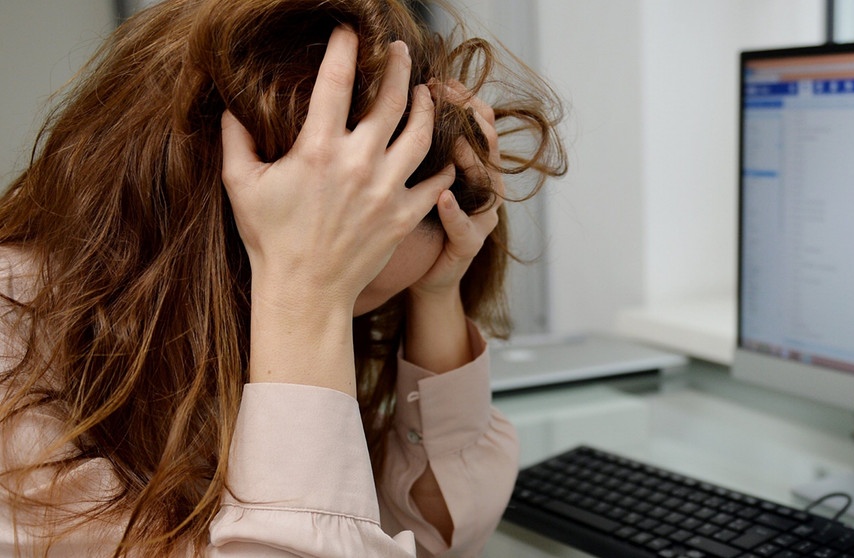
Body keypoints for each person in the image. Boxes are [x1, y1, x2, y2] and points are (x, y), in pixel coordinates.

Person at [0, 0, 566, 555]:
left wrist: (436, 293)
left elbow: (440, 534)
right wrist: (308, 292)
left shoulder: (202, 316)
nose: (344, 324)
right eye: (346, 283)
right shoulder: (15, 347)